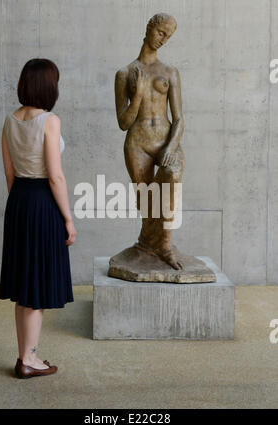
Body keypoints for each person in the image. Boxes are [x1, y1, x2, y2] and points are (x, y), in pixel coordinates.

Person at [0, 58, 76, 379]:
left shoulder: (9, 120)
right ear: (48, 86)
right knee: (37, 287)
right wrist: (68, 219)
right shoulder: (49, 121)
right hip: (43, 201)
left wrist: (20, 204)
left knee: (23, 286)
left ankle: (24, 356)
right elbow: (56, 177)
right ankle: (29, 359)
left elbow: (9, 173)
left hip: (18, 201)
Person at [114, 13, 184, 270]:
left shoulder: (170, 72)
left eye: (168, 36)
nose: (163, 40)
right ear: (149, 28)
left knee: (171, 178)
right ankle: (146, 244)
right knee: (146, 200)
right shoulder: (124, 73)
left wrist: (171, 146)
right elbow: (123, 123)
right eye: (160, 33)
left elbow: (179, 119)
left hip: (165, 139)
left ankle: (164, 245)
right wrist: (138, 96)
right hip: (137, 143)